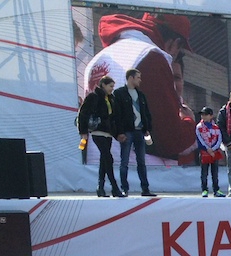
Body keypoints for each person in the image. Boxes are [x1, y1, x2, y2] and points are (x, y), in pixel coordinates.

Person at [84, 13, 197, 163]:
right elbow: (169, 138)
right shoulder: (151, 57)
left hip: (97, 168)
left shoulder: (97, 60)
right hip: (137, 174)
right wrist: (189, 122)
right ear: (174, 43)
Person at [77, 76, 124, 198]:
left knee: (104, 160)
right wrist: (83, 131)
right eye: (110, 86)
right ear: (103, 85)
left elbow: (115, 118)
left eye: (113, 87)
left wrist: (118, 133)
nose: (112, 89)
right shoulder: (94, 97)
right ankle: (114, 187)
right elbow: (83, 113)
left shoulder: (111, 99)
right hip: (98, 132)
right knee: (108, 158)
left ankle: (101, 188)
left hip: (108, 133)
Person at [113, 69, 156, 197]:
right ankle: (124, 189)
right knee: (124, 161)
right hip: (127, 131)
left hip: (140, 131)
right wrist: (119, 132)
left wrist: (147, 127)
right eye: (138, 77)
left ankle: (145, 189)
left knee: (141, 161)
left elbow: (146, 113)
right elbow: (117, 115)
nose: (140, 80)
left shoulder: (141, 95)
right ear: (130, 78)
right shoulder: (119, 93)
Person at [195, 107, 224, 198]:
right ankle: (204, 190)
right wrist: (207, 149)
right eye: (202, 114)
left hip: (214, 152)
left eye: (205, 114)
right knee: (204, 172)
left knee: (214, 172)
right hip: (204, 152)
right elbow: (199, 139)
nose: (203, 116)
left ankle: (216, 190)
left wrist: (214, 148)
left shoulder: (216, 127)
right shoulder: (199, 127)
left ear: (211, 116)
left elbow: (219, 139)